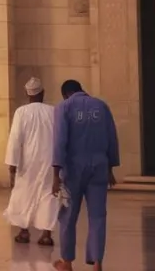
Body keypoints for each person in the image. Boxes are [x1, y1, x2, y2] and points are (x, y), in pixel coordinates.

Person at [51, 79, 120, 271]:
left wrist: (56, 175)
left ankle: (67, 262)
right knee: (98, 216)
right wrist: (110, 168)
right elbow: (111, 137)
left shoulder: (64, 107)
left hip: (73, 170)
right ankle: (97, 263)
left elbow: (59, 142)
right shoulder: (101, 106)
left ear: (66, 94)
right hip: (99, 167)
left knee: (68, 216)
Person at [3, 76, 59, 246]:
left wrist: (12, 165)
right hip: (49, 161)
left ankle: (24, 231)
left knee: (24, 194)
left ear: (28, 95)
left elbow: (15, 139)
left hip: (27, 162)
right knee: (48, 195)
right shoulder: (53, 111)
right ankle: (46, 234)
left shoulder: (22, 112)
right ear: (42, 93)